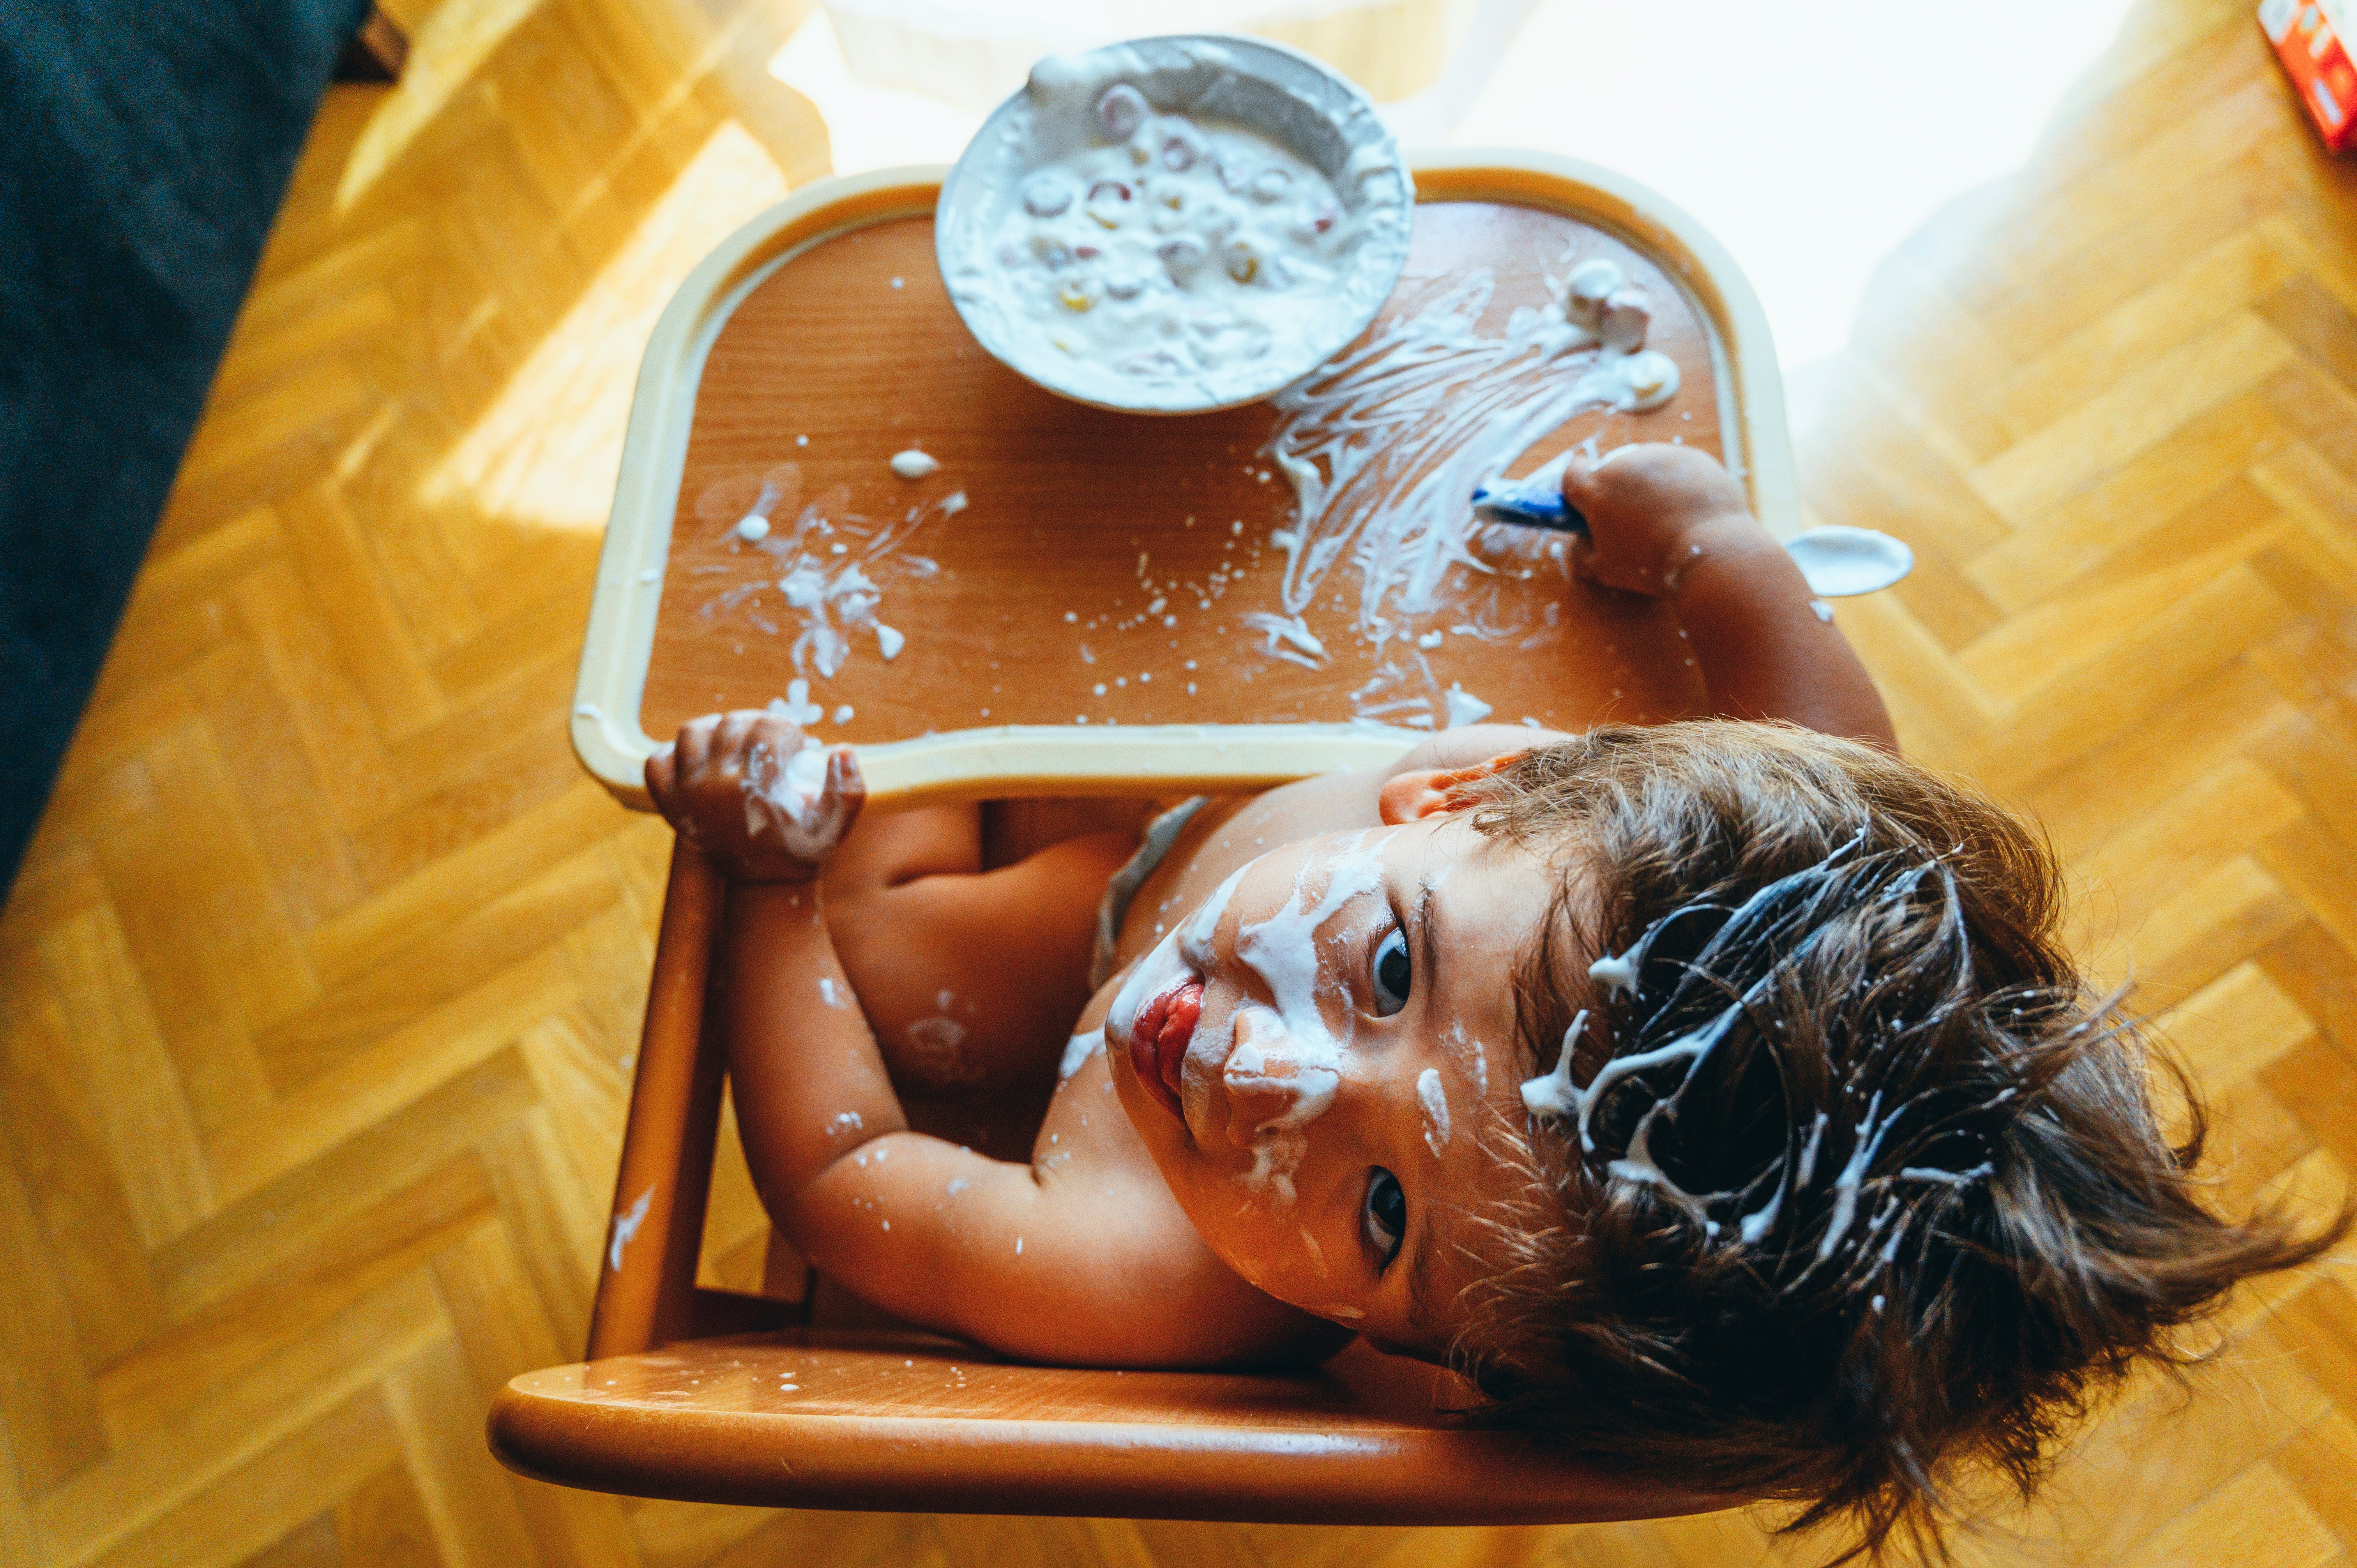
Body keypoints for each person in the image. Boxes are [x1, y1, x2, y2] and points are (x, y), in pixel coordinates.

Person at [646, 445, 2344, 1557]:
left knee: (886, 933)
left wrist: (780, 878)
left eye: (1382, 1213)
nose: (1252, 1072)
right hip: (1192, 850)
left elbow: (847, 1173)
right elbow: (1830, 739)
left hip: (1086, 965)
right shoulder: (1677, 846)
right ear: (1470, 784)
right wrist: (1716, 546)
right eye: (1392, 972)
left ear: (1431, 1353)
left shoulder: (1134, 1263)